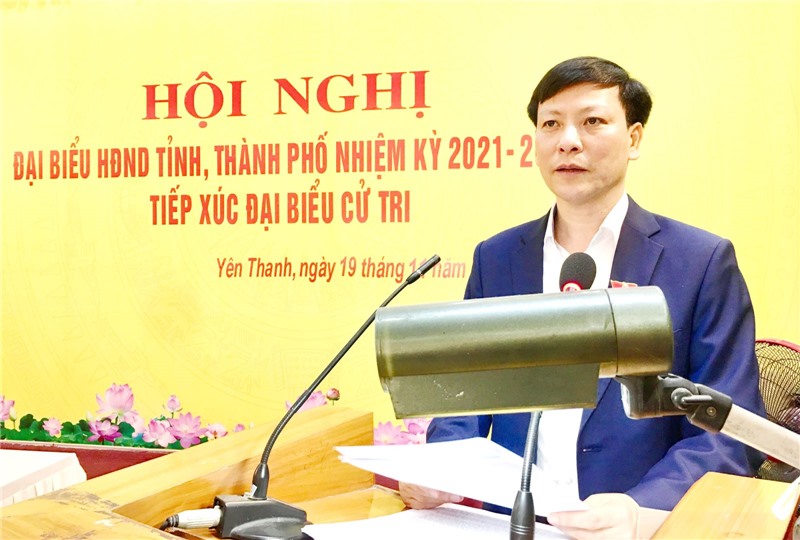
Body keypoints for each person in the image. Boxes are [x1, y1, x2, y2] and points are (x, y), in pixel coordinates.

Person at [399, 57, 766, 539]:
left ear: (634, 138)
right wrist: (440, 467)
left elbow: (730, 431)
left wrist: (640, 508)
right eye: (551, 124)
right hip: (508, 525)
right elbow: (464, 399)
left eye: (592, 121)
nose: (567, 141)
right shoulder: (498, 257)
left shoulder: (699, 262)